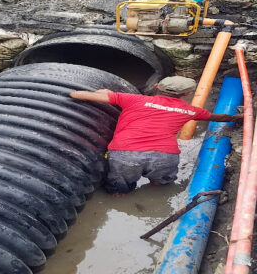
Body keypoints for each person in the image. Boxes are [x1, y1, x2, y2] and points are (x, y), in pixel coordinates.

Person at [70, 76, 243, 196]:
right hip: (165, 155)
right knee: (159, 187)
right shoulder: (189, 110)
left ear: (156, 87)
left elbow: (77, 94)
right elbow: (218, 117)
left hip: (125, 153)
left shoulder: (132, 99)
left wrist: (103, 91)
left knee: (118, 192)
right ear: (187, 94)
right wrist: (239, 117)